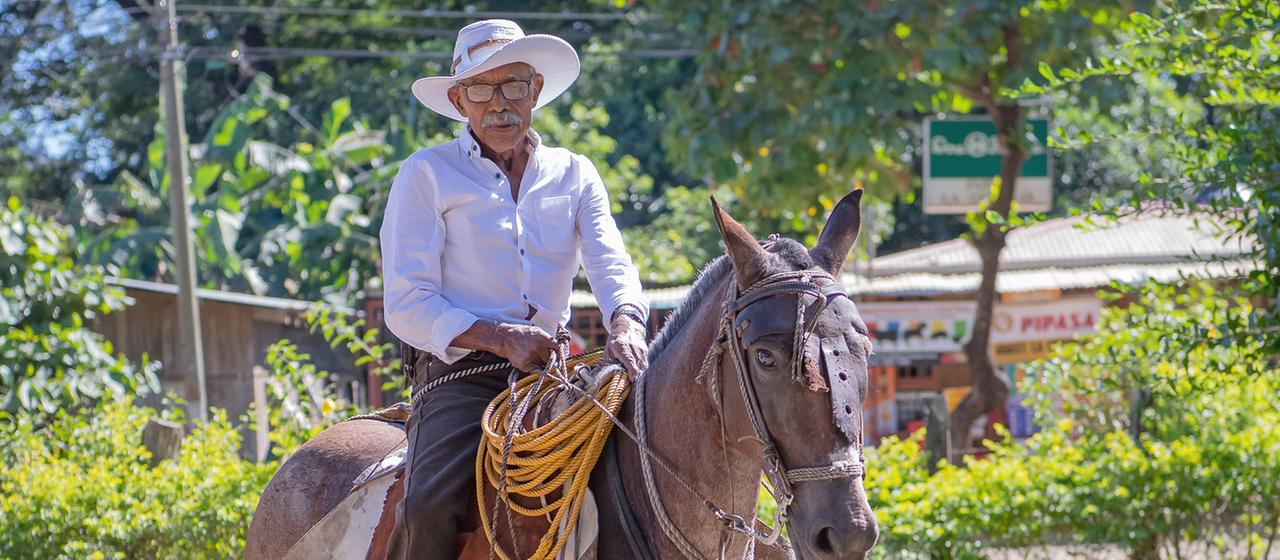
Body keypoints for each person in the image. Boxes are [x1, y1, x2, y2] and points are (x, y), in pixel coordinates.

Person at [379, 19, 650, 559]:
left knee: (654, 460)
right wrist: (501, 339)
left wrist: (626, 321)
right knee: (429, 503)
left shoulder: (575, 173)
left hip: (554, 373)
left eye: (513, 87)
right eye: (481, 90)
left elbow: (610, 261)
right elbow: (406, 302)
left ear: (537, 91)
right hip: (463, 374)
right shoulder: (426, 174)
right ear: (459, 101)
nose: (498, 105)